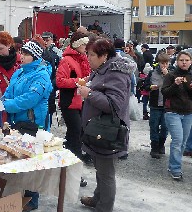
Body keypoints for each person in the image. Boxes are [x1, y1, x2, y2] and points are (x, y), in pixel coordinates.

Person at [79, 38, 136, 212]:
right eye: (87, 53)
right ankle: (98, 198)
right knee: (100, 169)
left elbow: (114, 105)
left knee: (106, 174)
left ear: (104, 56)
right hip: (98, 130)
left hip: (108, 132)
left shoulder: (116, 73)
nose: (88, 58)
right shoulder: (102, 69)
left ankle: (104, 207)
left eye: (92, 54)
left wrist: (89, 94)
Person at [2, 41, 52, 212]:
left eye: (25, 53)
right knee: (18, 157)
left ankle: (32, 198)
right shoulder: (19, 72)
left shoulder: (42, 75)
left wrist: (6, 105)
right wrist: (3, 101)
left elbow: (30, 99)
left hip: (33, 123)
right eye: (21, 52)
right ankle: (16, 193)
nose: (21, 56)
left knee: (32, 162)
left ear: (35, 57)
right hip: (16, 121)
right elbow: (8, 92)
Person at [56, 32, 91, 160]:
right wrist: (78, 81)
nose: (86, 46)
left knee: (78, 131)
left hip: (81, 100)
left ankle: (70, 156)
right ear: (77, 45)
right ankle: (75, 158)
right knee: (76, 130)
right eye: (83, 44)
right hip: (69, 101)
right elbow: (59, 81)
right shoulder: (66, 60)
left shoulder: (84, 58)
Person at [161, 51, 192, 181]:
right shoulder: (171, 75)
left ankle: (172, 165)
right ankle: (176, 169)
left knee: (183, 142)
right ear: (177, 61)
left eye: (186, 60)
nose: (184, 62)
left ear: (190, 62)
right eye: (181, 60)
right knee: (178, 141)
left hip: (188, 113)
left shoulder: (191, 76)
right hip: (172, 112)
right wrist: (176, 84)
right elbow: (165, 92)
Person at [143, 53, 172, 159]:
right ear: (158, 63)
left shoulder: (172, 74)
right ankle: (154, 147)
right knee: (154, 126)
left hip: (167, 106)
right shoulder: (152, 73)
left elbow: (176, 88)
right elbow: (145, 86)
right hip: (155, 104)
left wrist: (167, 75)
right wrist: (150, 87)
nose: (164, 65)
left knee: (165, 127)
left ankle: (161, 144)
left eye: (166, 63)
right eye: (162, 63)